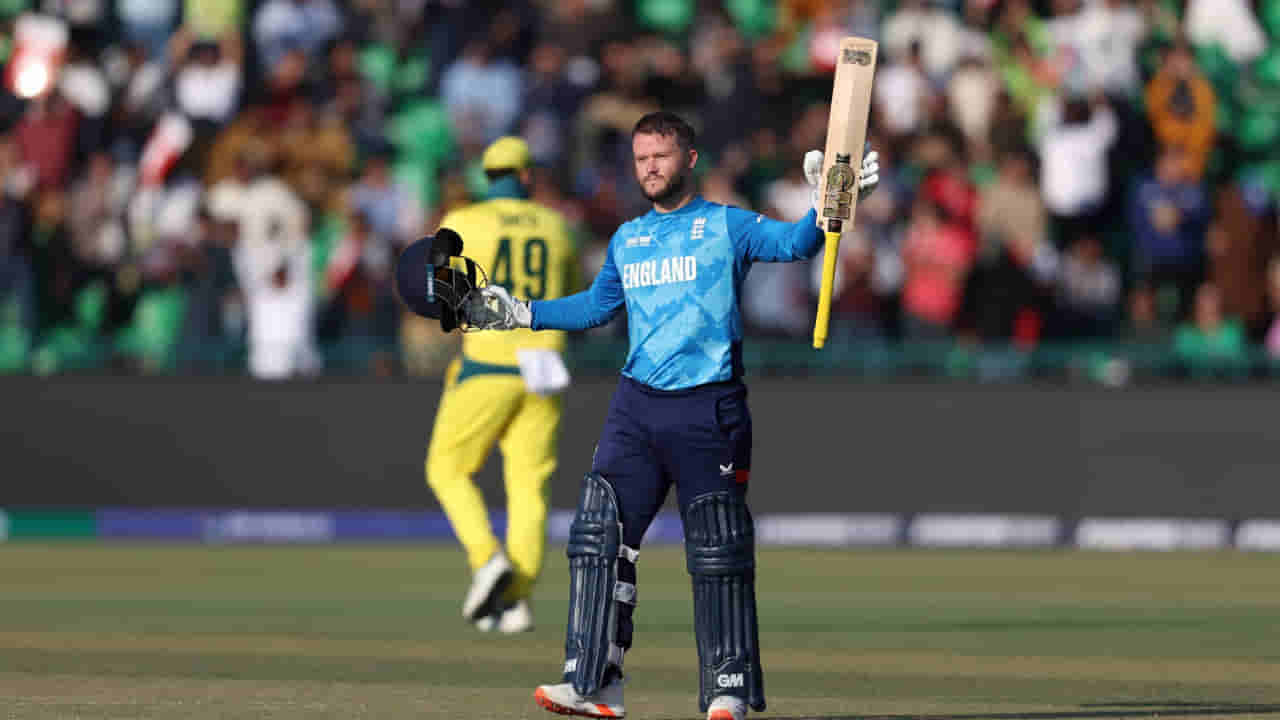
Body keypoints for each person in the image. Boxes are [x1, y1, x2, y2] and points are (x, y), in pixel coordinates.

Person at [445, 112, 877, 720]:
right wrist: (521, 311)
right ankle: (595, 683)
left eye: (661, 156)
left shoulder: (726, 224)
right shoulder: (628, 238)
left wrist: (828, 205)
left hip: (709, 405)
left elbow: (797, 244)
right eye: (641, 158)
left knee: (718, 549)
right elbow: (596, 307)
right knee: (598, 534)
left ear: (689, 159)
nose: (650, 167)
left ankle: (727, 687)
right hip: (636, 407)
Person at [420, 137, 579, 634]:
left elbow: (442, 296)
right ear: (526, 175)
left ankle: (488, 559)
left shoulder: (461, 221)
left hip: (489, 363)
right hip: (545, 367)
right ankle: (515, 601)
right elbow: (573, 292)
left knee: (446, 469)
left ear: (485, 177)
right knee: (530, 489)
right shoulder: (557, 225)